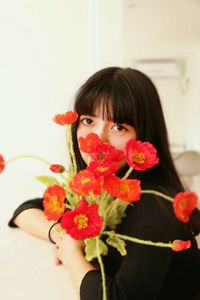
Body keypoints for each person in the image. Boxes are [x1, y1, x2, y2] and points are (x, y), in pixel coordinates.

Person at [8, 67, 200, 300]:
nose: (98, 139)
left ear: (145, 135)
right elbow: (25, 211)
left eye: (119, 127)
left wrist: (73, 257)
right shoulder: (102, 188)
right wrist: (63, 235)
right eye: (88, 120)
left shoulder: (154, 207)